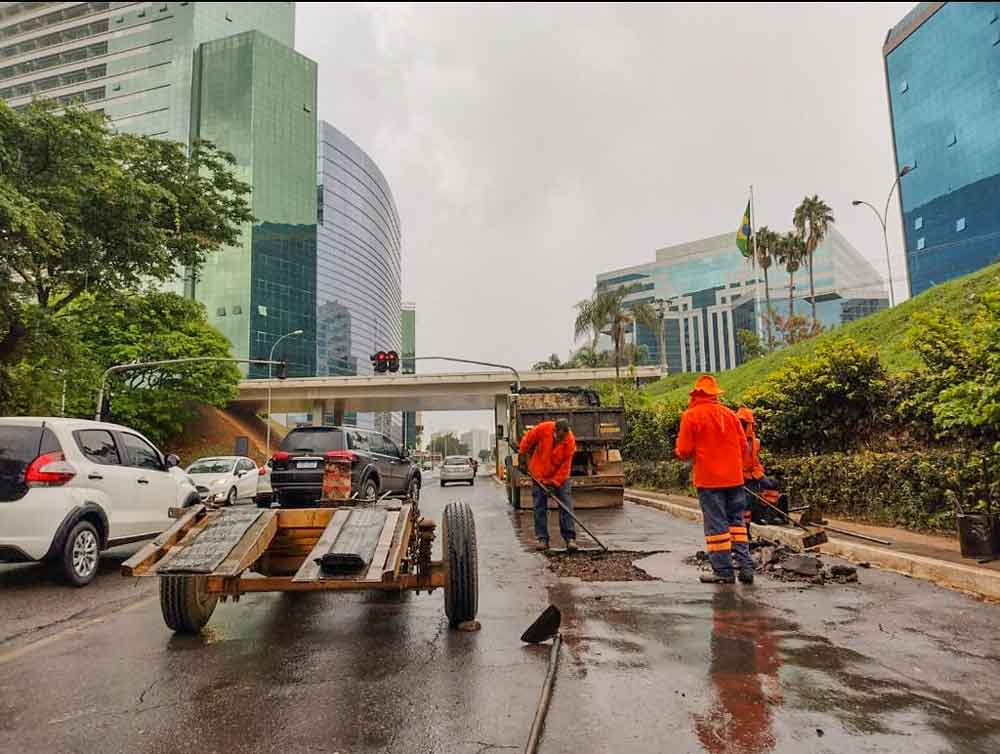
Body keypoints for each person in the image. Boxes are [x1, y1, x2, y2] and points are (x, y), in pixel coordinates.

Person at [675, 375, 753, 585]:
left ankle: (723, 572)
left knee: (716, 525)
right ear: (715, 394)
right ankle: (746, 567)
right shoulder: (730, 415)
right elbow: (744, 446)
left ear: (695, 395)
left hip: (709, 482)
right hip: (735, 480)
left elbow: (683, 450)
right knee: (737, 523)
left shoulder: (691, 416)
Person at [519, 418, 577, 552]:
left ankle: (570, 538)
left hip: (559, 477)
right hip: (538, 473)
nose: (559, 439)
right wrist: (522, 456)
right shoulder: (544, 428)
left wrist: (554, 483)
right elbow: (528, 438)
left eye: (562, 437)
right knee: (539, 506)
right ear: (554, 430)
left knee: (566, 505)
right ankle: (542, 539)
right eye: (557, 436)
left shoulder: (570, 443)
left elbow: (565, 469)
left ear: (566, 434)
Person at [736, 406, 765, 537]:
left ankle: (763, 516)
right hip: (738, 477)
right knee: (743, 505)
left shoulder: (755, 441)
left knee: (751, 502)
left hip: (751, 476)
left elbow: (755, 461)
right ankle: (744, 531)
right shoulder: (733, 439)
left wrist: (760, 475)